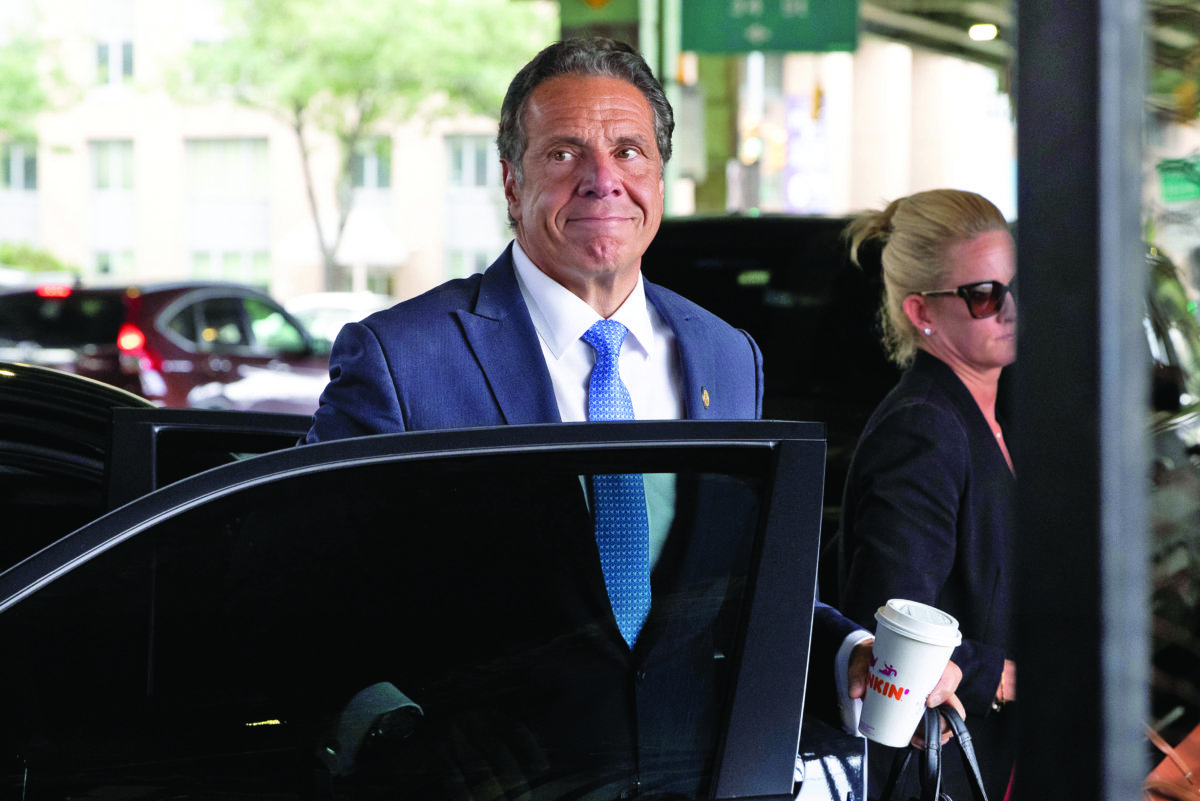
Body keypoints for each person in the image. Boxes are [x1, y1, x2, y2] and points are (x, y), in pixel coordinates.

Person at [301, 36, 960, 797]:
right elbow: (306, 597)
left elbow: (734, 589)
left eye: (628, 150)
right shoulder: (402, 357)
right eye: (563, 154)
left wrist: (848, 654)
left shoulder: (724, 354)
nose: (602, 180)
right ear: (512, 183)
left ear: (659, 175)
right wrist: (392, 727)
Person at [837, 188, 1017, 800]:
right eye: (985, 294)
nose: (1010, 308)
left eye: (1017, 286)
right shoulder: (927, 426)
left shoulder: (987, 413)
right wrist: (997, 674)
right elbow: (890, 613)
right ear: (922, 313)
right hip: (936, 770)